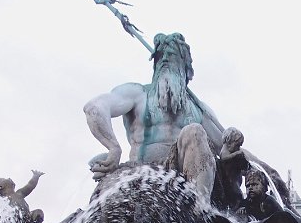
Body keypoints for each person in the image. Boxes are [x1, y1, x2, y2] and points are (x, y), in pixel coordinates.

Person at [83, 32, 225, 200]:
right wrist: (113, 148)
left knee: (194, 131)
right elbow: (94, 107)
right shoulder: (138, 93)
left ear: (186, 69)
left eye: (171, 55)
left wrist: (259, 165)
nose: (164, 60)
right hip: (142, 169)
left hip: (182, 174)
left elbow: (226, 148)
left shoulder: (199, 110)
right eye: (160, 56)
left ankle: (200, 207)